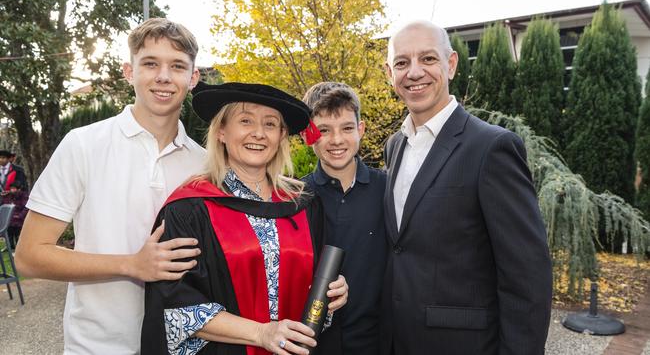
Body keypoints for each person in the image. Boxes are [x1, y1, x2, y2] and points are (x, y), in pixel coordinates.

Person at [15, 18, 205, 354]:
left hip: (185, 347)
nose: (163, 76)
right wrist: (130, 264)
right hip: (97, 347)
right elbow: (29, 256)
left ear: (192, 78)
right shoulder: (83, 145)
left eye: (177, 66)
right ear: (129, 72)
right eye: (150, 63)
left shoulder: (205, 165)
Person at [380, 21, 553, 355]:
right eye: (402, 63)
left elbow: (527, 277)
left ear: (452, 64)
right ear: (390, 73)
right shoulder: (395, 146)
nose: (414, 72)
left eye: (428, 59)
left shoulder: (492, 148)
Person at [142, 81, 348, 355]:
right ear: (222, 132)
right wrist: (261, 333)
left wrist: (333, 292)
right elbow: (176, 305)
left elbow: (316, 281)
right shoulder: (190, 208)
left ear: (282, 136)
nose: (259, 133)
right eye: (246, 120)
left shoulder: (302, 203)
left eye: (271, 124)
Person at [302, 82, 387, 355]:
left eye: (347, 128)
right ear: (308, 135)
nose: (336, 140)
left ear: (361, 130)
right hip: (313, 345)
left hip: (378, 342)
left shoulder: (388, 189)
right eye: (324, 130)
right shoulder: (293, 198)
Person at [1, 182, 29, 250]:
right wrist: (3, 197)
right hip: (10, 218)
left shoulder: (23, 196)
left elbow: (26, 207)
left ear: (18, 189)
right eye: (11, 188)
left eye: (13, 188)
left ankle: (19, 247)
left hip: (19, 219)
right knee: (9, 233)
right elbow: (5, 204)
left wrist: (20, 216)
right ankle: (10, 246)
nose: (11, 190)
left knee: (18, 234)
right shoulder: (9, 195)